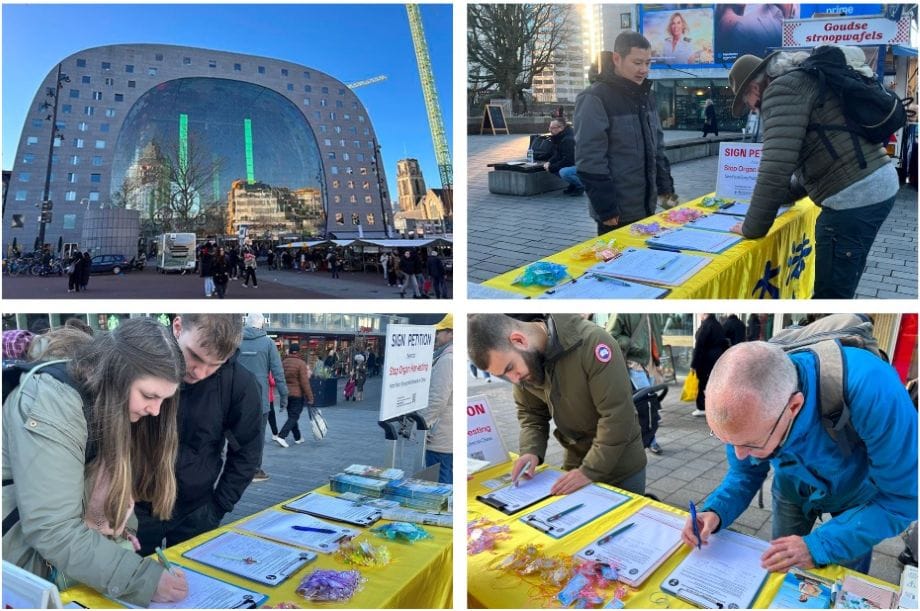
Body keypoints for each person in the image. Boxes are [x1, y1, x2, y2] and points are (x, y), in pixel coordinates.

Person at [680, 341, 917, 574]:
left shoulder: (873, 388)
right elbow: (744, 473)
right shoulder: (746, 410)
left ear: (793, 407)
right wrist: (716, 511)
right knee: (784, 566)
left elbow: (904, 498)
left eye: (750, 444)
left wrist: (821, 545)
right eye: (727, 441)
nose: (739, 454)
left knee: (846, 577)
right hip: (791, 489)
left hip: (857, 498)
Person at [2, 318, 188, 606]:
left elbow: (111, 486)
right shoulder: (52, 401)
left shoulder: (106, 397)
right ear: (118, 375)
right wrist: (142, 580)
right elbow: (52, 528)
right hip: (22, 566)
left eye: (164, 399)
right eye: (149, 396)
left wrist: (125, 529)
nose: (155, 410)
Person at [728, 48, 898, 298]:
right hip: (873, 183)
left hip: (853, 196)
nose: (752, 110)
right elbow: (818, 159)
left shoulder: (779, 91)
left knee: (830, 296)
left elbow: (775, 168)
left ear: (753, 88)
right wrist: (785, 197)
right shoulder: (801, 80)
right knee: (844, 276)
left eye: (746, 103)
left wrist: (751, 227)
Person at [468, 314, 647, 495]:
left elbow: (616, 415)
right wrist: (530, 451)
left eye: (509, 368)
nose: (513, 378)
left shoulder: (593, 342)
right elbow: (531, 415)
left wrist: (589, 471)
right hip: (576, 460)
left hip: (620, 465)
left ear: (519, 340)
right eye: (503, 375)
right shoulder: (523, 364)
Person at [135, 314, 262, 556]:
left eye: (215, 364)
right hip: (137, 503)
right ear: (177, 327)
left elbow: (247, 453)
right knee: (128, 584)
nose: (200, 372)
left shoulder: (240, 383)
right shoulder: (143, 363)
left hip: (196, 509)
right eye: (194, 356)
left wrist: (217, 507)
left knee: (191, 588)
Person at [575, 32, 679, 236]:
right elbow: (590, 159)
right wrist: (606, 209)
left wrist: (666, 189)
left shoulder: (646, 97)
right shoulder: (594, 98)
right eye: (637, 62)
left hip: (647, 205)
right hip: (616, 213)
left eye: (648, 63)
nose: (644, 70)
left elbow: (657, 149)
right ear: (617, 59)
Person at [237, 313, 288, 483]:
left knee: (237, 433)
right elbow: (278, 372)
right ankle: (254, 470)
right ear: (261, 325)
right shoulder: (268, 343)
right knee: (258, 435)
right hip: (259, 398)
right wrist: (284, 395)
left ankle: (238, 468)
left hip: (237, 397)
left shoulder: (237, 341)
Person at [609, 314, 666, 454]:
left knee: (647, 403)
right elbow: (611, 334)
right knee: (647, 404)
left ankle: (641, 439)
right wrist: (631, 343)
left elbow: (656, 333)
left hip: (651, 362)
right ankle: (648, 441)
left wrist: (658, 358)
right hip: (635, 363)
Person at [420, 314, 453, 484]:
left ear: (451, 334)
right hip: (449, 430)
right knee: (448, 472)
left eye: (440, 331)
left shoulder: (448, 359)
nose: (437, 335)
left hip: (440, 433)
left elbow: (438, 399)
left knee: (440, 479)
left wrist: (423, 426)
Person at [690, 314, 726, 417]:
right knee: (714, 383)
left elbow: (699, 347)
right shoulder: (718, 325)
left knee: (702, 383)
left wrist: (694, 364)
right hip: (717, 358)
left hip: (705, 359)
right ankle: (715, 406)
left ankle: (702, 407)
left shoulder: (706, 326)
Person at [278, 343, 314, 447]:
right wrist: (310, 397)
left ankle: (298, 437)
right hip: (297, 394)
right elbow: (304, 382)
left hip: (286, 393)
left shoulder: (284, 362)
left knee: (292, 416)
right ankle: (281, 436)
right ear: (298, 352)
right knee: (294, 416)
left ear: (289, 351)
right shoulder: (301, 363)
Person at [543, 119, 583, 196]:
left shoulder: (568, 139)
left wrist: (552, 167)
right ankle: (573, 184)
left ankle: (580, 185)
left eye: (552, 128)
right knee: (554, 168)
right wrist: (549, 162)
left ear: (560, 128)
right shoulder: (561, 136)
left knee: (564, 172)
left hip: (583, 165)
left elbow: (569, 160)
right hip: (576, 163)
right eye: (549, 127)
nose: (549, 130)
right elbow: (558, 154)